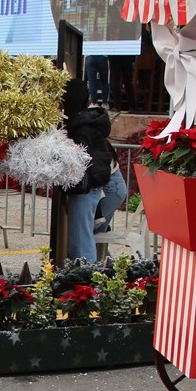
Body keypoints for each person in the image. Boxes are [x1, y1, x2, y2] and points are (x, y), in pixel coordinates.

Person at [61, 79, 114, 263]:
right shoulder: (90, 122)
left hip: (86, 185)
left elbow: (80, 157)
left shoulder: (80, 126)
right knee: (85, 235)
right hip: (94, 184)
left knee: (81, 240)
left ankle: (85, 282)